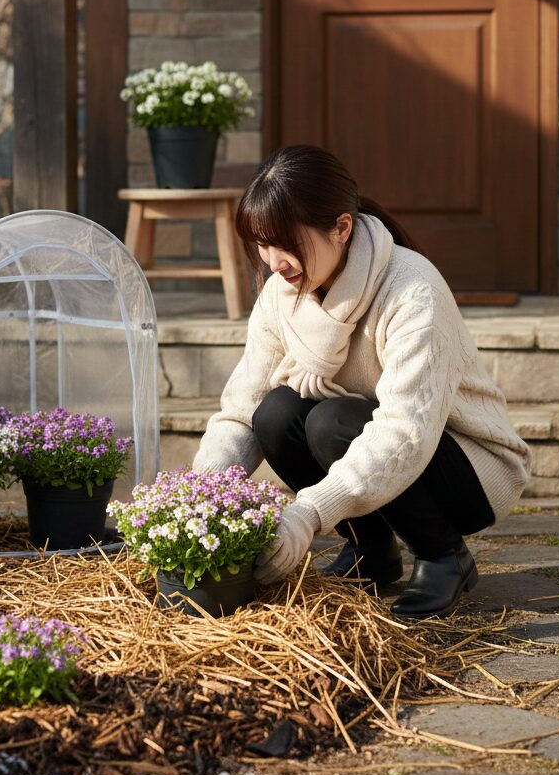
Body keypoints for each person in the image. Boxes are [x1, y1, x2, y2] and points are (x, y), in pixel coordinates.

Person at [192, 145, 531, 618]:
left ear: (341, 228)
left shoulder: (412, 288)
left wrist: (309, 514)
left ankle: (442, 556)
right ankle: (371, 550)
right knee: (276, 413)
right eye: (262, 244)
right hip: (377, 445)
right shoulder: (281, 295)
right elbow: (242, 407)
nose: (273, 262)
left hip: (469, 465)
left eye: (284, 242)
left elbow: (406, 430)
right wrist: (196, 498)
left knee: (331, 421)